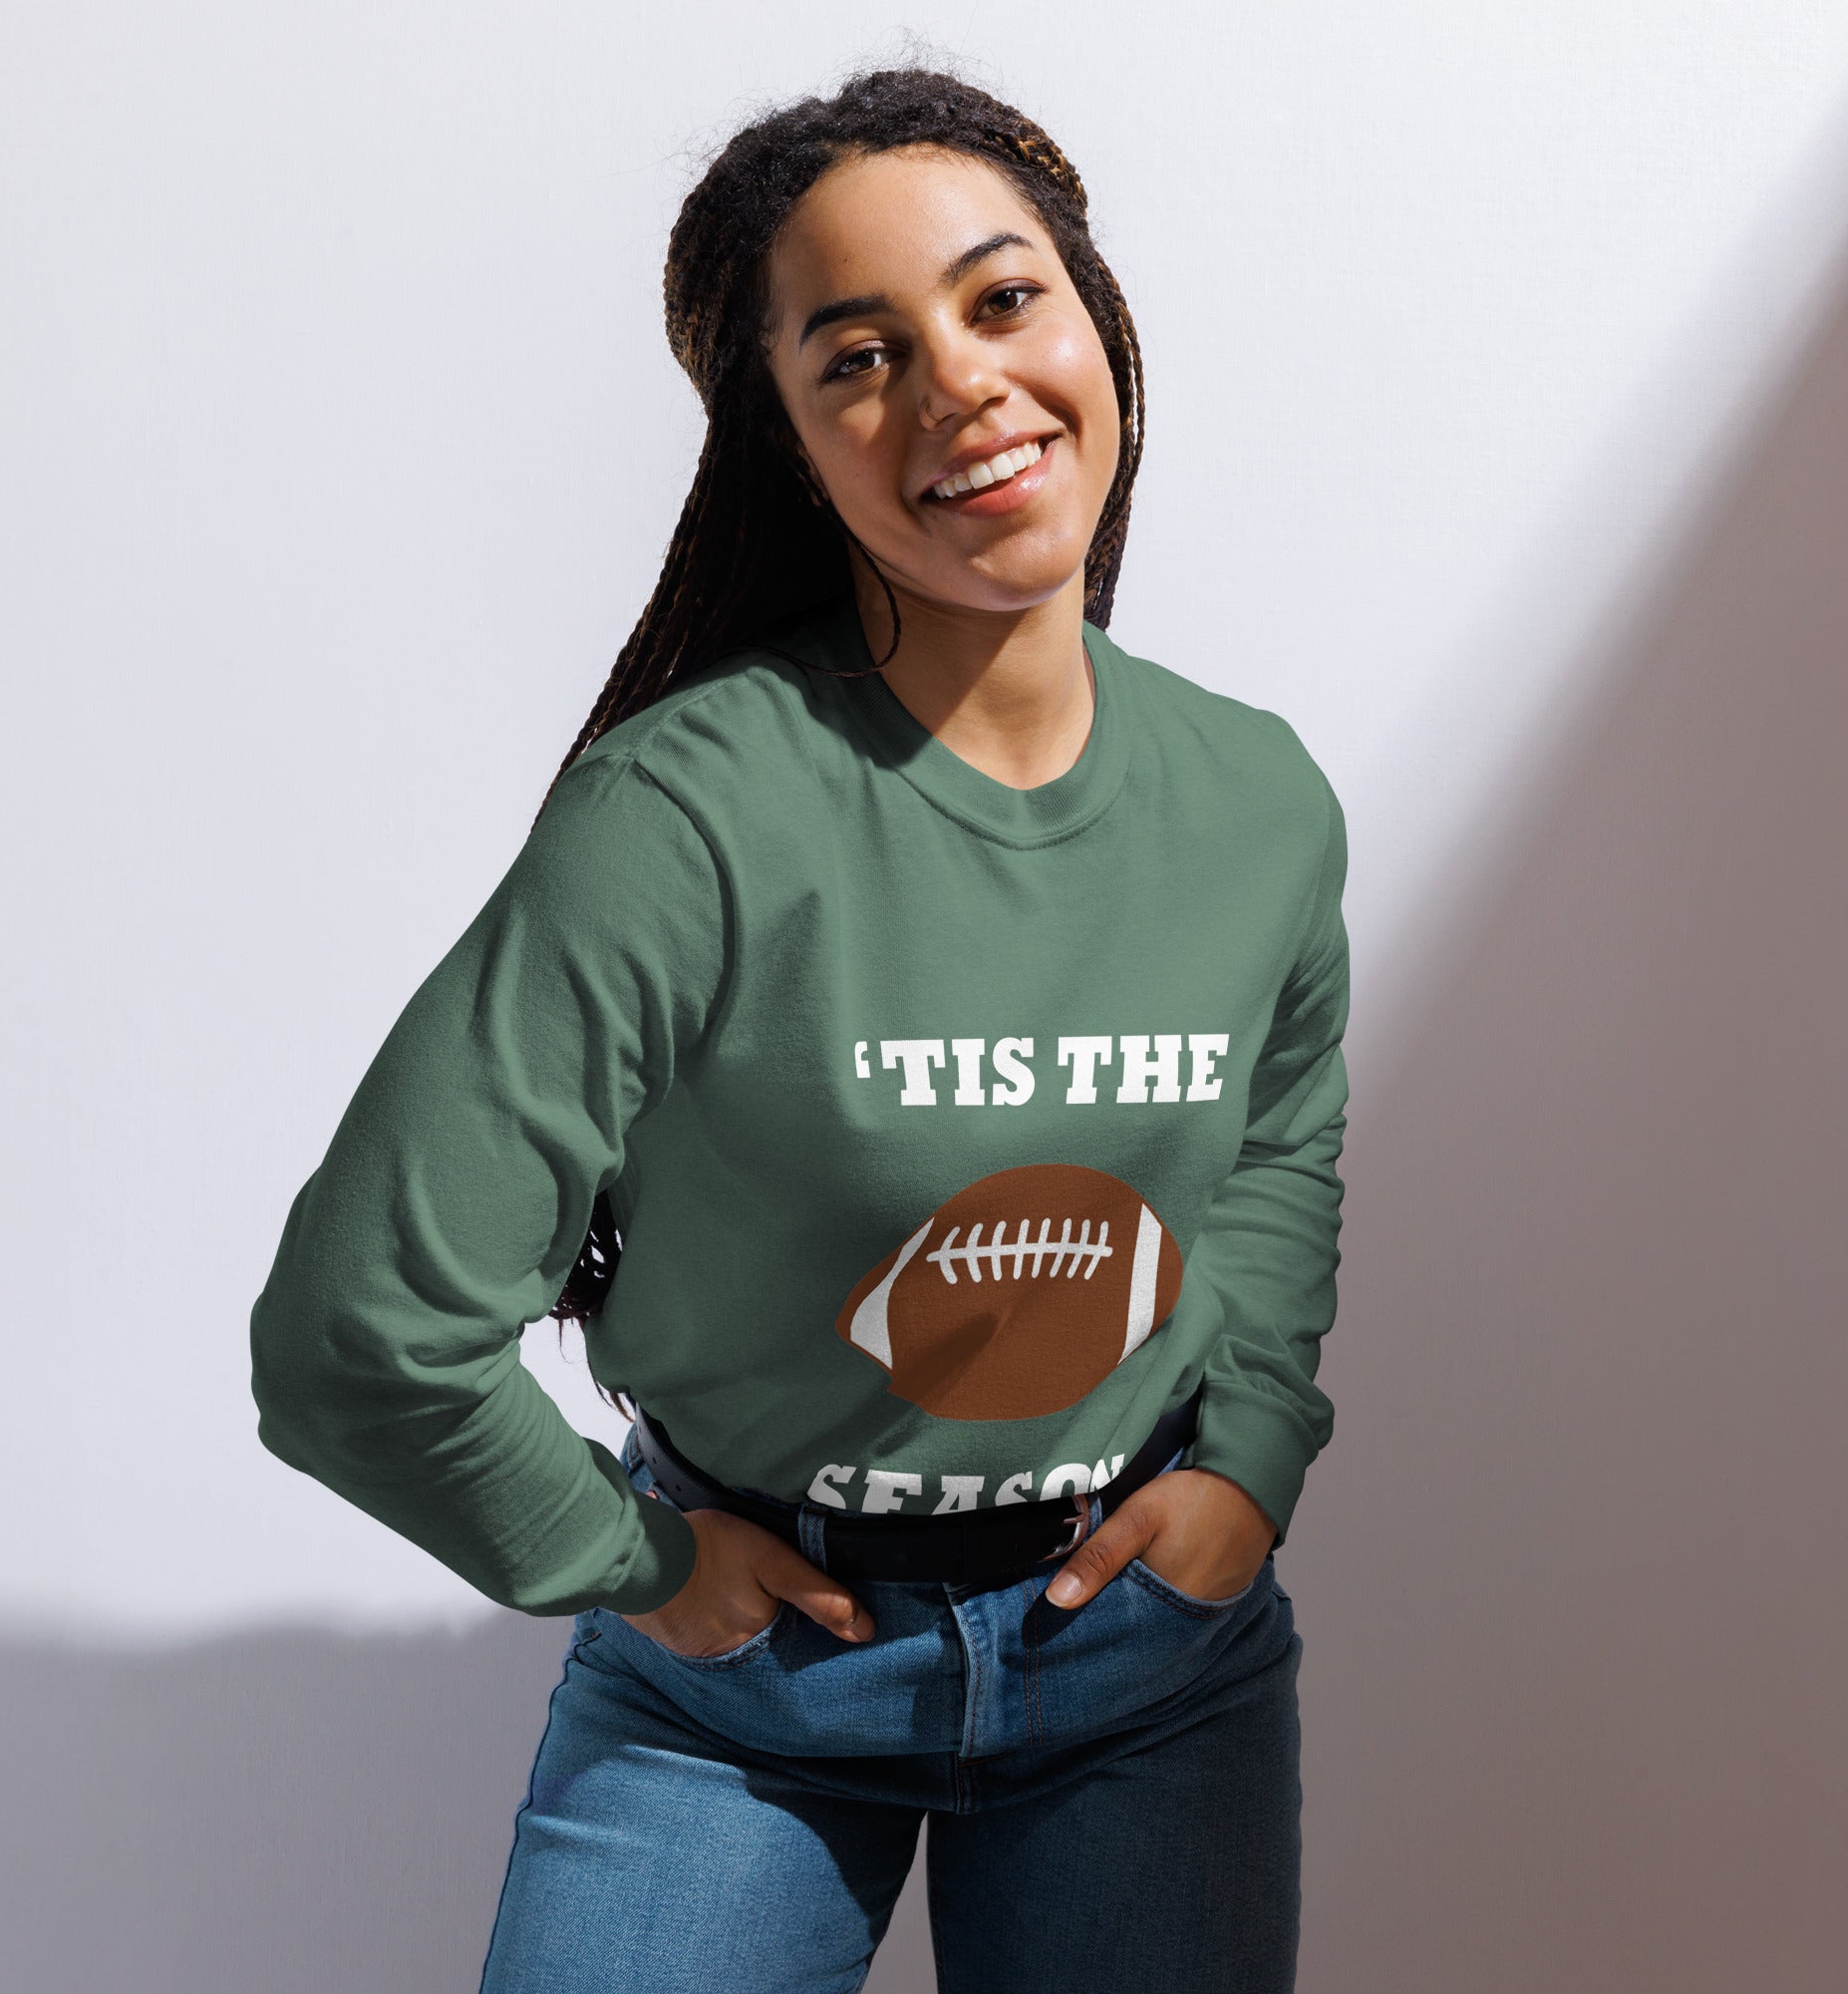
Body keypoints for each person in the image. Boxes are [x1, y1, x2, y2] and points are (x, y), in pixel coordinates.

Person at [250, 64, 1349, 1994]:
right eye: (858, 357)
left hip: (1144, 1665)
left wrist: (1247, 1447)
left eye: (1001, 300)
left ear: (1093, 320)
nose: (957, 387)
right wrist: (641, 1566)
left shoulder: (1255, 800)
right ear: (789, 439)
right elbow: (362, 1329)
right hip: (746, 1689)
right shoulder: (684, 819)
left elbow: (1273, 1149)